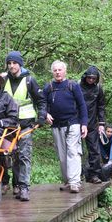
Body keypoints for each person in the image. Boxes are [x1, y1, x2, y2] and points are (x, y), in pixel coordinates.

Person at [3, 50, 47, 202]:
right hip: (8, 125)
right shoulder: (3, 80)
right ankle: (14, 184)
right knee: (11, 155)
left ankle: (24, 187)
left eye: (14, 63)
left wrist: (41, 116)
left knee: (24, 156)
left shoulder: (30, 80)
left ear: (20, 64)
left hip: (26, 124)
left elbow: (41, 100)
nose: (11, 66)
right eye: (9, 63)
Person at [43, 60, 88, 193]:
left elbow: (82, 105)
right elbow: (41, 104)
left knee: (73, 152)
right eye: (55, 70)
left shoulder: (73, 85)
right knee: (62, 156)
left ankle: (75, 182)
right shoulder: (48, 87)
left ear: (65, 71)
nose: (57, 72)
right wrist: (45, 114)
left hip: (73, 123)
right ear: (52, 72)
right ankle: (68, 181)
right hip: (56, 126)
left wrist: (84, 124)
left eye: (60, 70)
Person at [79, 66, 106, 184]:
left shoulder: (98, 89)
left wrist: (101, 123)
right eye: (89, 77)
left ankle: (94, 175)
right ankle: (77, 176)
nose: (91, 80)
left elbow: (101, 106)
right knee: (76, 151)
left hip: (92, 124)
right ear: (85, 77)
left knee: (94, 150)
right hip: (77, 122)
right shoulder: (77, 87)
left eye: (93, 78)